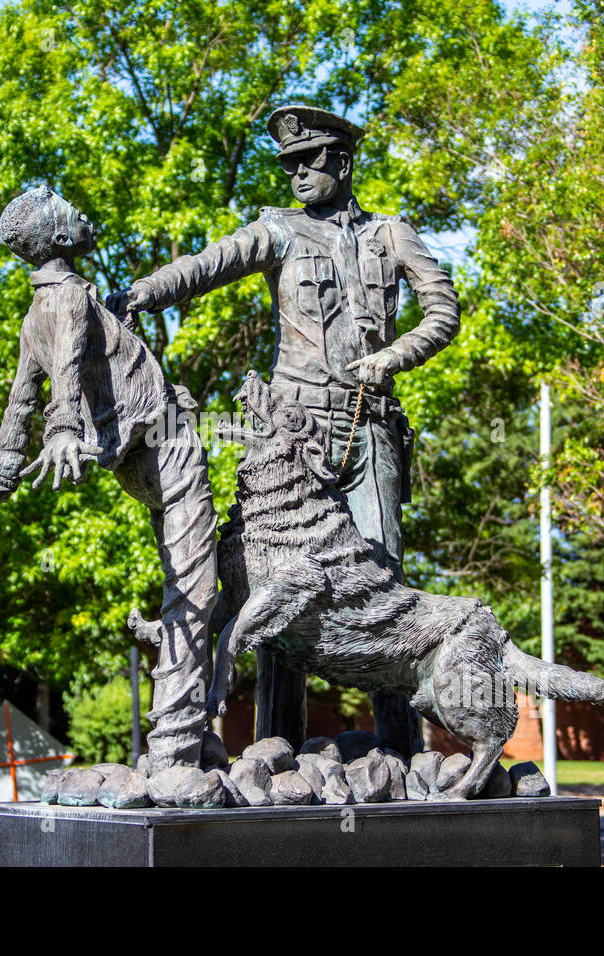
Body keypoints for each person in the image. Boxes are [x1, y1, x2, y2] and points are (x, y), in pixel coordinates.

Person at [108, 106, 461, 757]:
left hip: (369, 428)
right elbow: (211, 262)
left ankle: (401, 752)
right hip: (293, 437)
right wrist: (147, 291)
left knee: (383, 581)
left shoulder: (393, 234)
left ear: (343, 163)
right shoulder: (279, 231)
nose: (297, 172)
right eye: (289, 164)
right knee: (282, 584)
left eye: (310, 160)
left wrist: (393, 356)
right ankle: (279, 749)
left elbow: (443, 310)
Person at [0, 185, 216, 770]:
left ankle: (196, 737)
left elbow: (19, 399)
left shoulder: (33, 315)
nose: (85, 214)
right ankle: (178, 749)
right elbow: (64, 373)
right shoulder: (69, 299)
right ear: (57, 240)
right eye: (71, 212)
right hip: (164, 440)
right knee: (197, 591)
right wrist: (64, 430)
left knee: (193, 584)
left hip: (137, 454)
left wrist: (1, 477)